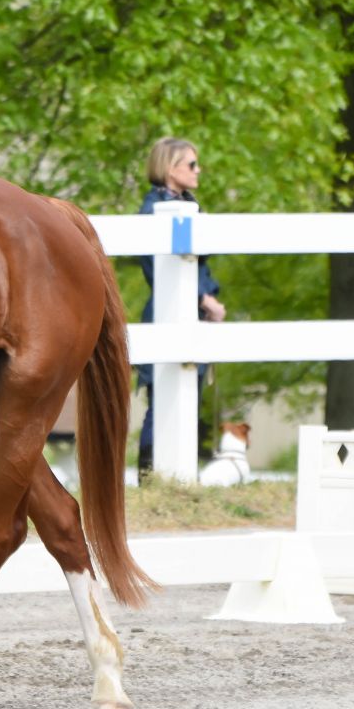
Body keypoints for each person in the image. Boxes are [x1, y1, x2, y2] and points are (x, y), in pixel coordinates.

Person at [135, 137, 225, 481]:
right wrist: (204, 300)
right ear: (170, 168)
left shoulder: (189, 205)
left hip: (195, 313)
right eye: (191, 164)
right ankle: (150, 478)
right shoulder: (153, 209)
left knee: (189, 397)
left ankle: (179, 476)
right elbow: (158, 270)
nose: (197, 170)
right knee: (163, 402)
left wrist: (206, 298)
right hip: (169, 311)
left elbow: (196, 266)